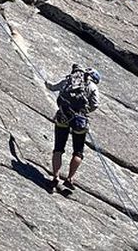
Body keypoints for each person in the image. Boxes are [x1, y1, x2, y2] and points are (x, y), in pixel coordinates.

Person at [45, 63, 101, 191]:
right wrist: (84, 110)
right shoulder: (92, 87)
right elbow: (96, 104)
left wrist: (46, 82)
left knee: (58, 148)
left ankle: (55, 177)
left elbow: (53, 87)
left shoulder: (69, 80)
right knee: (78, 151)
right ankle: (70, 179)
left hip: (63, 117)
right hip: (80, 121)